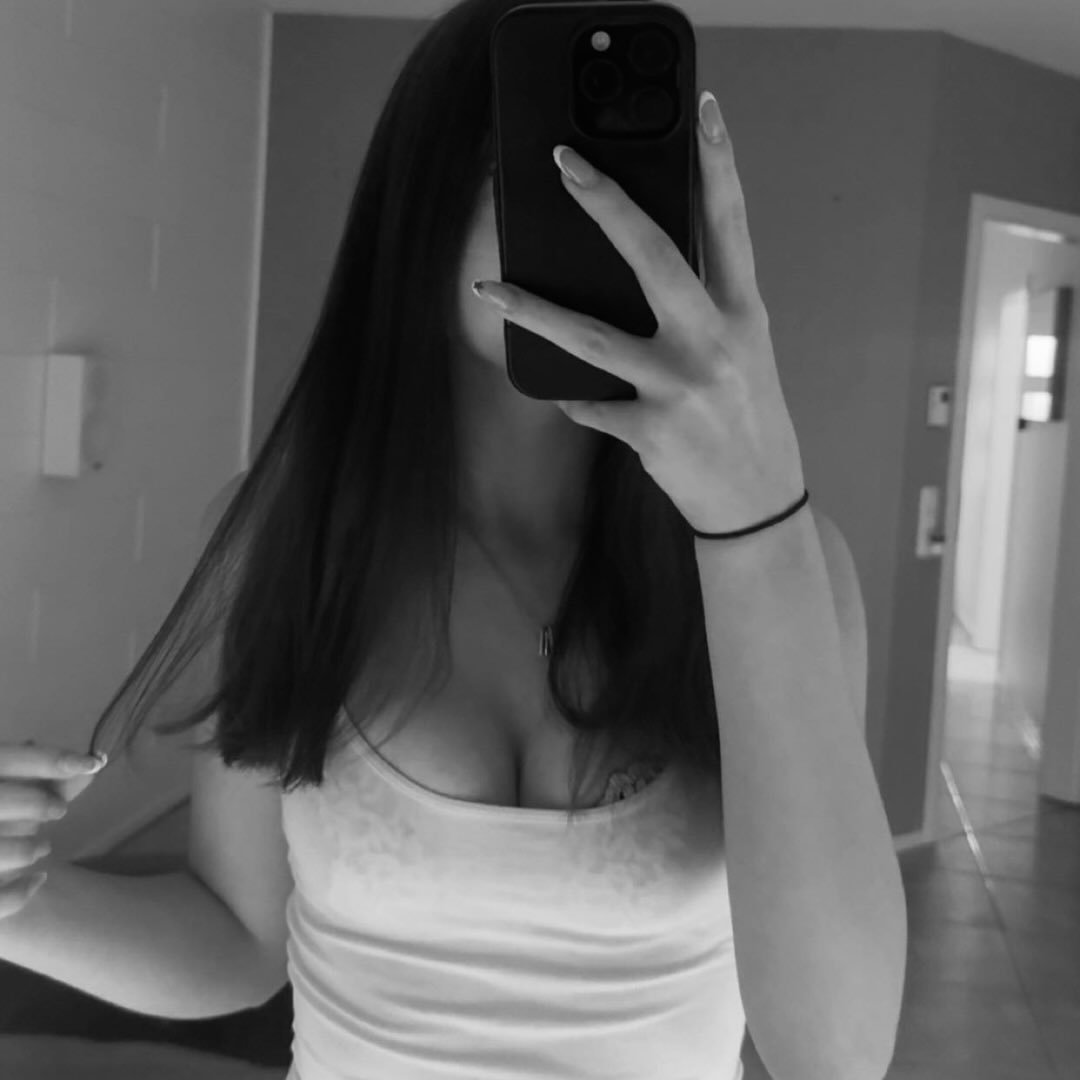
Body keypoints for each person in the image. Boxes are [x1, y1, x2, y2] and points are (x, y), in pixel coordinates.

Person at [2, 1, 774, 1077]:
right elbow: (235, 941)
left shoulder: (769, 561)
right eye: (538, 180)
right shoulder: (284, 538)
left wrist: (763, 509)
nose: (601, 223)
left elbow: (836, 1045)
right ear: (422, 215)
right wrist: (13, 904)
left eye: (635, 189)